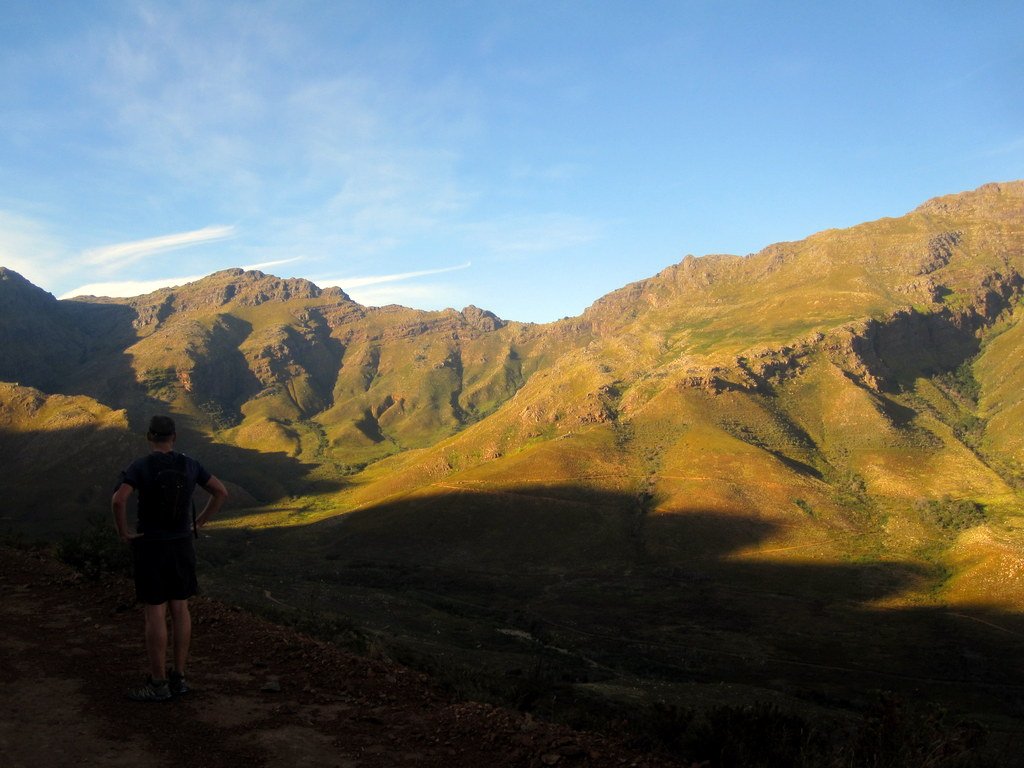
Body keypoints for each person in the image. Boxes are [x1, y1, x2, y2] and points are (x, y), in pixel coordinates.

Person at [112, 415, 228, 702]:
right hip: (181, 545)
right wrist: (198, 523)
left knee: (155, 612)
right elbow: (220, 491)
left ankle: (158, 683)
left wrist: (124, 531)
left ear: (149, 437)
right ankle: (180, 677)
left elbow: (118, 499)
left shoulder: (140, 466)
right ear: (174, 437)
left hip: (151, 545)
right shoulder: (190, 464)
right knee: (180, 608)